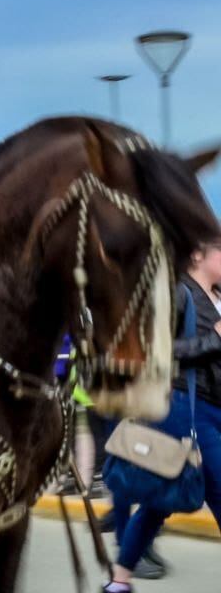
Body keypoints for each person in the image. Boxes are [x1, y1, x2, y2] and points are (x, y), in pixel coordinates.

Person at [105, 237, 221, 593]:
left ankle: (119, 581)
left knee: (159, 501)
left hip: (212, 410)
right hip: (190, 410)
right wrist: (216, 339)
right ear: (199, 255)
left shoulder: (215, 299)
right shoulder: (178, 293)